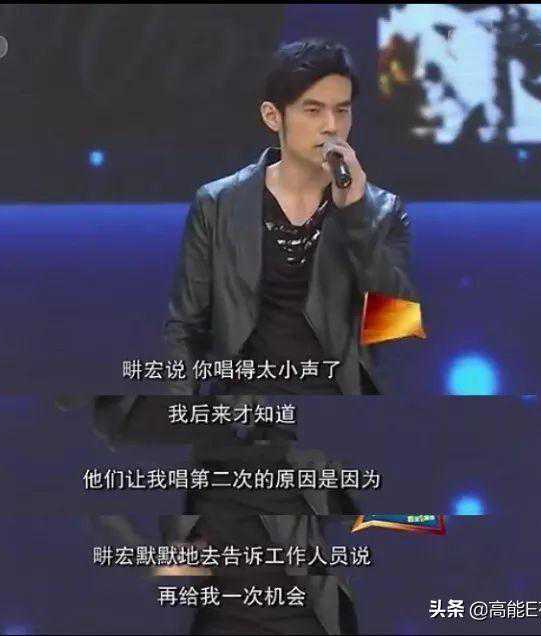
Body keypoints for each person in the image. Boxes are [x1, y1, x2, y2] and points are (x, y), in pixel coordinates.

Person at [164, 37, 420, 396]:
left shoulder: (381, 210)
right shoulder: (218, 204)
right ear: (273, 116)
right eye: (313, 110)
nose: (331, 126)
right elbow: (186, 329)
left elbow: (396, 325)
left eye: (342, 110)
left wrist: (356, 216)